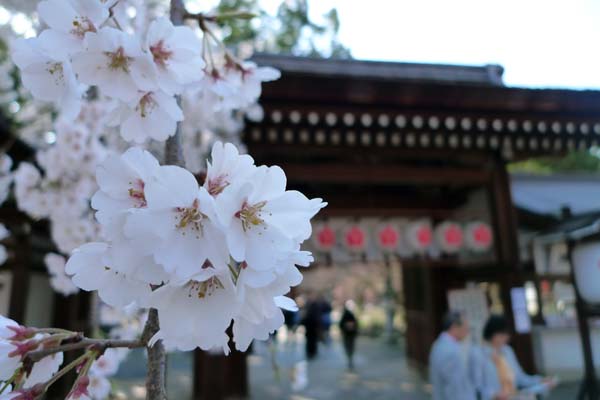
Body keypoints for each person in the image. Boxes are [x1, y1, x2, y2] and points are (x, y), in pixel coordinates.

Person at [470, 315, 555, 400]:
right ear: (492, 333)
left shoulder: (507, 351)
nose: (506, 338)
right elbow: (477, 387)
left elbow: (520, 378)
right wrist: (494, 394)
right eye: (502, 334)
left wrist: (540, 381)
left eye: (506, 334)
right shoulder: (478, 354)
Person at [429, 311, 477, 400]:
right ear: (454, 327)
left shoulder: (440, 344)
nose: (467, 331)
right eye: (465, 327)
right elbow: (455, 389)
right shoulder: (451, 351)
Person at [339, 300, 359, 370]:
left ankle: (350, 358)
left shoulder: (349, 314)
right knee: (349, 347)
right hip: (348, 334)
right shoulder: (347, 314)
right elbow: (341, 324)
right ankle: (350, 359)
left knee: (349, 347)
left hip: (350, 334)